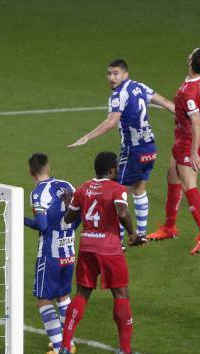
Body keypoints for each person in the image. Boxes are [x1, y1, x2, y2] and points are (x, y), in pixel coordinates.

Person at [69, 59, 175, 241]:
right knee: (140, 189)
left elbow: (111, 122)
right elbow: (165, 102)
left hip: (133, 150)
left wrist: (87, 136)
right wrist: (184, 117)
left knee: (118, 193)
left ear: (125, 74)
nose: (111, 78)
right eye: (109, 73)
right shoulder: (139, 86)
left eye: (116, 73)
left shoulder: (118, 95)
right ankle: (141, 234)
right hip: (150, 148)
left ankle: (119, 239)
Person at [58, 151, 145, 354]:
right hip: (109, 249)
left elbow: (69, 219)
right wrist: (133, 234)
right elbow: (122, 212)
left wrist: (70, 202)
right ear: (112, 170)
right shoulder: (117, 189)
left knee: (81, 294)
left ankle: (65, 345)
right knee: (121, 294)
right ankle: (125, 351)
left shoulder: (83, 188)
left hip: (87, 246)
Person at [148, 48, 200, 256]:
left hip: (189, 138)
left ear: (190, 60)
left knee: (189, 185)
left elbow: (196, 121)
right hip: (186, 135)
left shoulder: (187, 91)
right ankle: (170, 227)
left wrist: (194, 151)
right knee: (172, 175)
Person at [24, 153, 80, 354]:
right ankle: (68, 343)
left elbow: (42, 225)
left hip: (50, 254)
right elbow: (79, 212)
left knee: (44, 299)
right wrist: (70, 228)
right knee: (63, 296)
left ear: (31, 172)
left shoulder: (38, 193)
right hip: (69, 251)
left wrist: (20, 220)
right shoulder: (67, 185)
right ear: (49, 167)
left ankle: (58, 349)